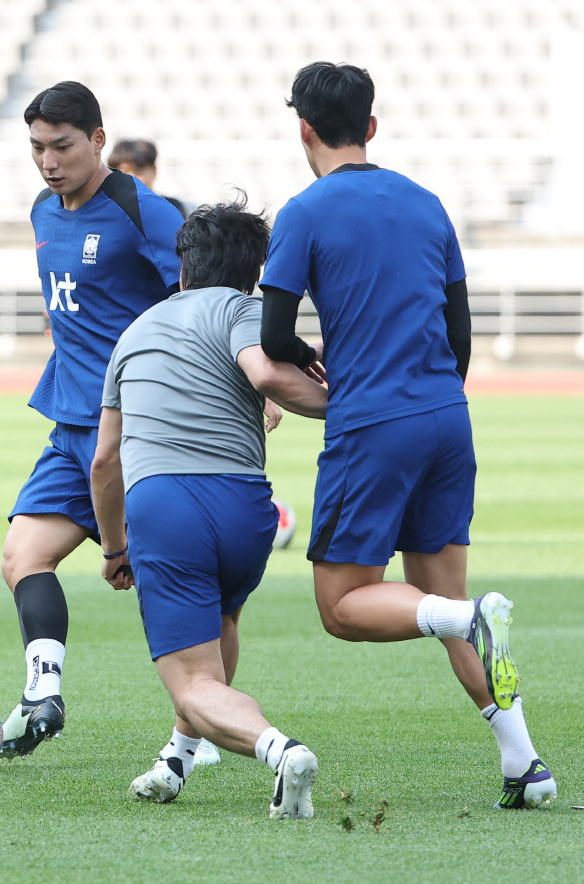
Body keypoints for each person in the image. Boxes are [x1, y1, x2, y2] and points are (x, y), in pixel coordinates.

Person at [259, 62, 556, 810]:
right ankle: (526, 766)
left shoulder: (303, 211)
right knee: (441, 596)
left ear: (303, 129)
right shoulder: (427, 204)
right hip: (447, 418)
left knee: (341, 606)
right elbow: (459, 335)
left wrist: (317, 362)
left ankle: (466, 615)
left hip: (374, 423)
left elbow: (273, 334)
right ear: (372, 126)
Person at [90, 199, 328, 818]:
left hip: (167, 507)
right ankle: (177, 758)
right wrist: (350, 400)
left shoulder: (136, 330)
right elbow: (265, 377)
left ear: (184, 263)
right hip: (248, 509)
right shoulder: (245, 308)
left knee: (194, 683)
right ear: (254, 271)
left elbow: (105, 461)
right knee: (219, 628)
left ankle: (279, 751)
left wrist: (115, 548)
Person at [0, 80, 189, 760]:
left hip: (140, 426)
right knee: (23, 557)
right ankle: (43, 694)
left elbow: (206, 301)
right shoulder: (42, 214)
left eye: (63, 146)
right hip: (69, 421)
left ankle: (196, 725)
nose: (49, 162)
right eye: (37, 148)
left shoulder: (146, 212)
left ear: (98, 141)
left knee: (165, 581)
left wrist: (250, 387)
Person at [108, 138, 191, 219]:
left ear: (154, 170)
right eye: (124, 172)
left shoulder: (172, 207)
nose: (132, 177)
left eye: (138, 171)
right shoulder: (106, 209)